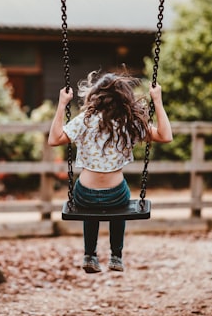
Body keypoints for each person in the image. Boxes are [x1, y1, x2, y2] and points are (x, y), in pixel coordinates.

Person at [48, 70, 173, 274]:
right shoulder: (129, 123)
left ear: (96, 97)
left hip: (84, 194)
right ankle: (116, 255)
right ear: (125, 98)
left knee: (89, 210)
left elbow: (54, 139)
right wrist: (157, 100)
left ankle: (90, 254)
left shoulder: (85, 121)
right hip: (116, 195)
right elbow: (165, 136)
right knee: (120, 207)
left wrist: (62, 104)